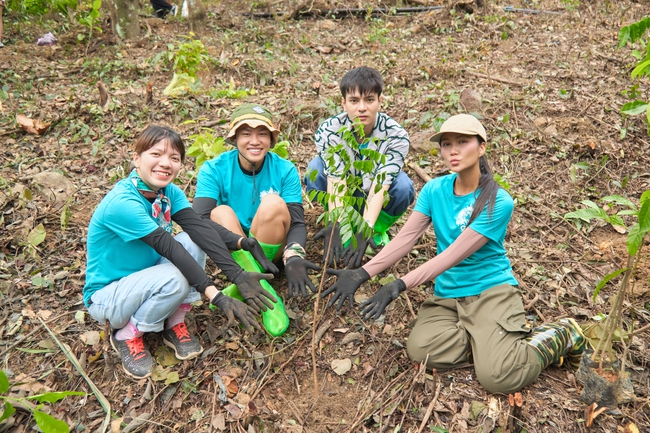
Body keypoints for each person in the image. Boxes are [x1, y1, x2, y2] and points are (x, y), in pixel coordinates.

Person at [321, 114, 587, 394]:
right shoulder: (435, 189)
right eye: (446, 144)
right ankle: (489, 342)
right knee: (421, 350)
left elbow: (451, 256)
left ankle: (562, 332)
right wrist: (362, 273)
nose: (453, 151)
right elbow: (405, 239)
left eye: (462, 142)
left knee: (498, 378)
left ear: (481, 147)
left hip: (489, 292)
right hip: (448, 297)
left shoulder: (498, 201)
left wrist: (398, 285)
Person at [84, 125, 278, 379]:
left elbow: (200, 228)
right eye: (156, 154)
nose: (165, 164)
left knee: (193, 240)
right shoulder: (123, 203)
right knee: (175, 277)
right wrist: (216, 296)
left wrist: (243, 248)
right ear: (136, 158)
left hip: (148, 277)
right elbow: (170, 248)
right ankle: (126, 334)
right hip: (109, 296)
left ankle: (173, 320)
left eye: (174, 158)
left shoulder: (167, 192)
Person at [193, 103, 320, 302]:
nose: (254, 141)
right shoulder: (213, 169)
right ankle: (250, 277)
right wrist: (243, 242)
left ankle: (251, 277)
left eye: (262, 134)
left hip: (272, 247)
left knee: (272, 202)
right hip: (237, 247)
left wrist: (294, 255)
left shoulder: (285, 169)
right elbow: (198, 220)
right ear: (234, 139)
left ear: (271, 139)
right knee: (220, 212)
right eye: (246, 134)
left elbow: (296, 221)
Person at [304, 66, 415, 268]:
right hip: (344, 194)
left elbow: (381, 184)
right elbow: (335, 178)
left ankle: (376, 230)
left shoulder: (396, 136)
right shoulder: (329, 131)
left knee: (403, 186)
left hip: (375, 196)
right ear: (343, 103)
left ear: (380, 101)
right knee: (315, 170)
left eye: (369, 100)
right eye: (354, 101)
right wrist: (337, 224)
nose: (362, 108)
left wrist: (366, 228)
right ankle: (345, 227)